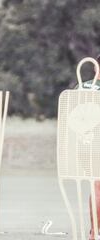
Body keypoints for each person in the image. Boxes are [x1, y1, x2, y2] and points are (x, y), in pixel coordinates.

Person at [82, 55, 100, 240]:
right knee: (97, 186)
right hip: (95, 143)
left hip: (84, 143)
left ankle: (94, 231)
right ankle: (94, 232)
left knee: (96, 186)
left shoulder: (82, 86)